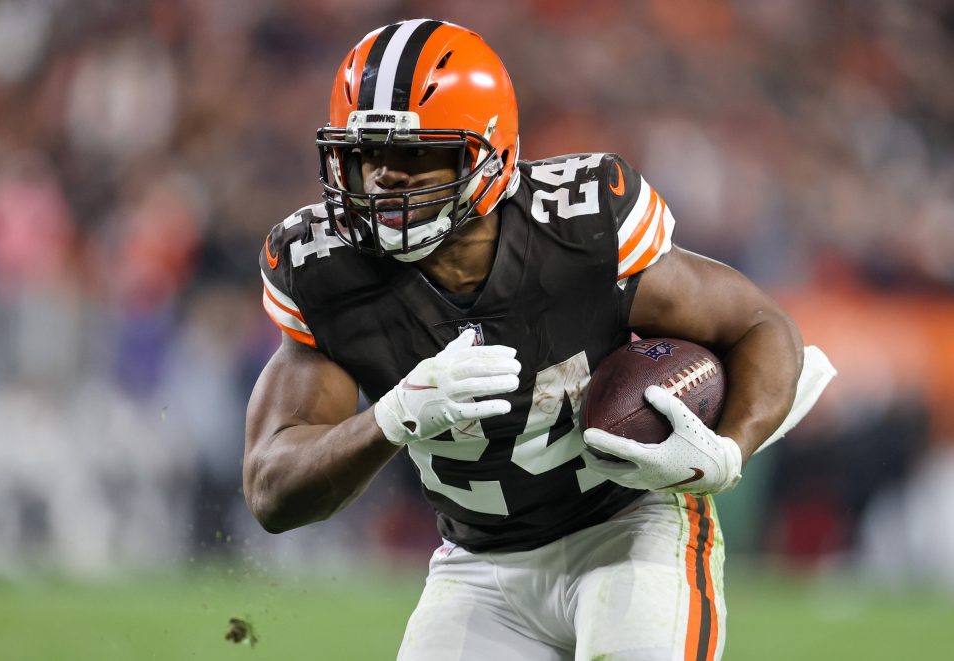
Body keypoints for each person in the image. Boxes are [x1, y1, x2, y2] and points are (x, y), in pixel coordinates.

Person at [244, 19, 833, 660]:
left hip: (629, 526)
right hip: (477, 564)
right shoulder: (325, 271)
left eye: (419, 154)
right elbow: (272, 491)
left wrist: (728, 452)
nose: (387, 178)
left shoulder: (576, 232)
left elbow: (760, 326)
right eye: (368, 155)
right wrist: (391, 416)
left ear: (489, 154)